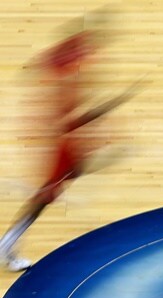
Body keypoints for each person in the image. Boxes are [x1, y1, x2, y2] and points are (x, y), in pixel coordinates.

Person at [0, 12, 141, 271]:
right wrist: (117, 101)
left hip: (55, 131)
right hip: (59, 138)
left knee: (74, 170)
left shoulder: (70, 54)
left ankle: (9, 242)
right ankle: (6, 246)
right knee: (44, 196)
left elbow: (42, 63)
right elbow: (77, 119)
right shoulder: (73, 73)